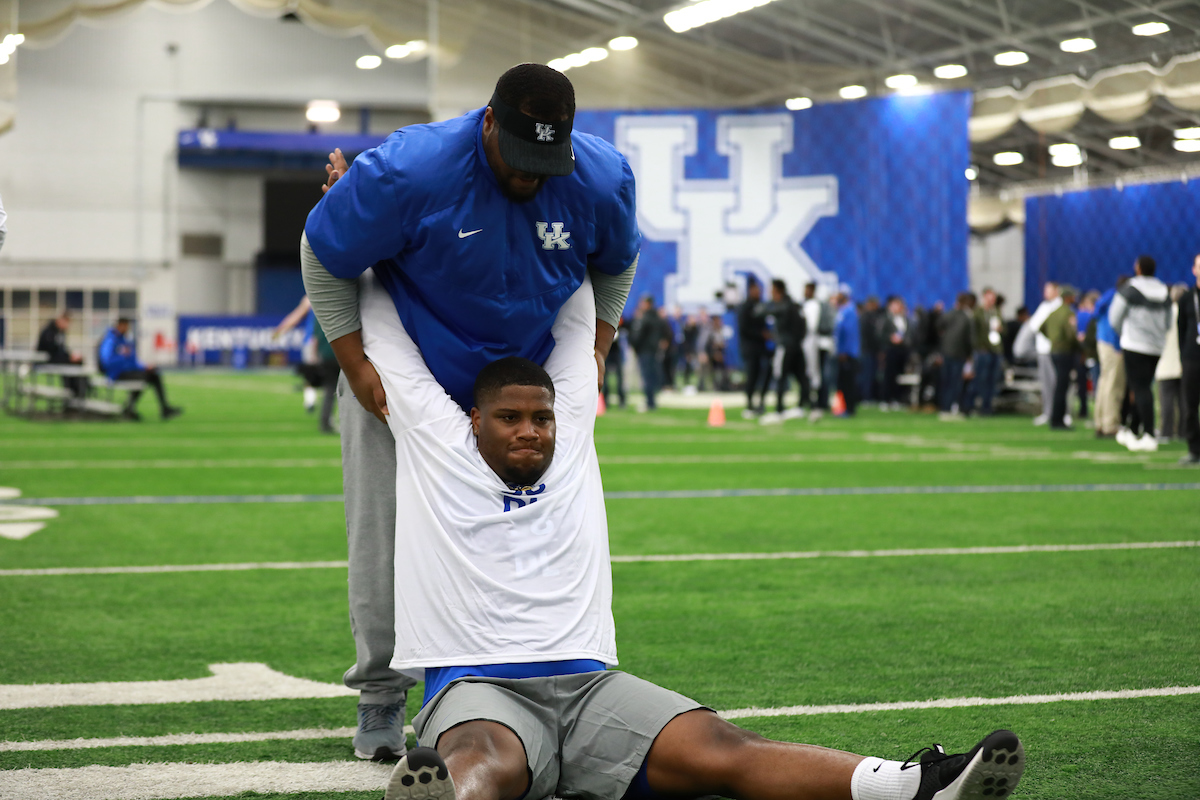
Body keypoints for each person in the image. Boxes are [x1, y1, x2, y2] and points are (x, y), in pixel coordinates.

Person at [358, 275, 1025, 800]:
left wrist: (579, 222)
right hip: (478, 682)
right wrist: (351, 226)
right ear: (475, 419)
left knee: (720, 746)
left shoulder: (575, 437)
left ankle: (913, 786)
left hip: (591, 683)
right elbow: (381, 330)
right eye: (509, 418)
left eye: (541, 416)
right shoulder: (435, 438)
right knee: (484, 761)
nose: (530, 429)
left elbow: (580, 310)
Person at [303, 63, 640, 760]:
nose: (531, 178)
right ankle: (379, 695)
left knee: (535, 530)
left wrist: (600, 343)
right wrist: (355, 362)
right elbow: (322, 251)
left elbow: (618, 261)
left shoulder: (601, 179)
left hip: (523, 389)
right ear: (489, 123)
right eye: (519, 160)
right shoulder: (410, 171)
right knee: (383, 536)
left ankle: (516, 675)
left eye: (547, 165)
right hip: (405, 366)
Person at [1110, 255, 1171, 452]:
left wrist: (1124, 334)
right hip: (1156, 346)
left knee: (1140, 388)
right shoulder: (1163, 290)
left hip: (1135, 344)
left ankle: (1149, 434)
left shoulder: (1130, 288)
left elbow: (1114, 317)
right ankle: (1133, 429)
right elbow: (1169, 322)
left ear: (1137, 268)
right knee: (1143, 386)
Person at [97, 318, 182, 421]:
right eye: (125, 326)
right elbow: (107, 361)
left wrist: (145, 367)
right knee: (145, 377)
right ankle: (129, 408)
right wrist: (123, 359)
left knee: (153, 374)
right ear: (119, 325)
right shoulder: (110, 340)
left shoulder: (125, 340)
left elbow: (133, 361)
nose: (127, 329)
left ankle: (164, 408)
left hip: (127, 371)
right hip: (115, 374)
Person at [763, 278, 809, 422]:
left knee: (781, 376)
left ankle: (779, 409)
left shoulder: (782, 305)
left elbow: (765, 311)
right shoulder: (795, 305)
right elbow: (803, 326)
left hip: (785, 346)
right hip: (797, 346)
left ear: (777, 290)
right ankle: (804, 406)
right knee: (801, 377)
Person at [1092, 277, 1128, 438]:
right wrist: (1117, 345)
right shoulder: (1118, 298)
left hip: (1102, 342)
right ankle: (1110, 425)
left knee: (1105, 383)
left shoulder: (1107, 296)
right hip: (1112, 344)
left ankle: (1100, 422)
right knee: (1114, 385)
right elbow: (1115, 322)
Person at [1039, 285, 1078, 431]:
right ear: (1068, 297)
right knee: (1062, 387)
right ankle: (1058, 420)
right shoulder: (1068, 313)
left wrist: (1053, 339)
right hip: (1064, 352)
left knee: (1058, 386)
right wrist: (1080, 347)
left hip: (1053, 351)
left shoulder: (1054, 312)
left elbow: (1041, 327)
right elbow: (1071, 335)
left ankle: (1056, 418)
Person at [1154, 284, 1188, 442]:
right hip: (1185, 362)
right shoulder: (1190, 313)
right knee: (1184, 401)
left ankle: (1166, 432)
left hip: (1166, 362)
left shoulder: (1165, 313)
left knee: (1166, 400)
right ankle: (1184, 431)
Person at [1026, 282, 1062, 426]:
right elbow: (1034, 325)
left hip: (1055, 350)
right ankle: (1048, 412)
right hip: (1042, 350)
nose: (1045, 293)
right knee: (1046, 383)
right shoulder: (1044, 306)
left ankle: (1061, 412)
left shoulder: (1059, 307)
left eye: (1049, 290)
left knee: (1057, 383)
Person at [36, 310, 90, 400]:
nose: (67, 325)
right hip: (48, 361)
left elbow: (62, 349)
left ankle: (79, 392)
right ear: (60, 320)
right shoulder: (49, 332)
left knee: (78, 362)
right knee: (73, 365)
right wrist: (69, 357)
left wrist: (71, 356)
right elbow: (51, 350)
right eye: (67, 322)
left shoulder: (60, 332)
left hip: (59, 360)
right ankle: (75, 392)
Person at [937, 293, 974, 418]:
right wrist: (969, 355)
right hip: (959, 354)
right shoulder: (966, 317)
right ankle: (952, 407)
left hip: (947, 352)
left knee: (947, 381)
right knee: (955, 382)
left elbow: (938, 326)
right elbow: (968, 338)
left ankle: (944, 408)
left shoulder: (949, 314)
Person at [630, 295, 670, 411]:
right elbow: (667, 332)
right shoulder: (658, 317)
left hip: (645, 351)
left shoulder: (645, 318)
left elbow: (638, 336)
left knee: (647, 377)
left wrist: (635, 346)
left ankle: (649, 402)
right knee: (651, 376)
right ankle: (652, 402)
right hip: (654, 350)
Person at [1178, 254, 1200, 465]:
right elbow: (1180, 330)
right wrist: (1183, 355)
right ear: (1194, 269)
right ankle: (1194, 449)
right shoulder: (1186, 298)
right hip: (1192, 357)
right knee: (1190, 406)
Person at [738, 279, 771, 418]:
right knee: (752, 375)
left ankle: (760, 400)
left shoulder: (761, 306)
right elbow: (744, 328)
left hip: (761, 347)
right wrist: (761, 334)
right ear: (750, 290)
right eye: (756, 290)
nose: (758, 292)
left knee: (764, 373)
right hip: (750, 347)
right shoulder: (745, 307)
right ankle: (750, 402)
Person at [969, 288, 1003, 415]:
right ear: (984, 297)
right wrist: (978, 347)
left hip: (996, 350)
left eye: (993, 298)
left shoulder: (997, 312)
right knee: (980, 379)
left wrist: (1001, 329)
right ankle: (971, 405)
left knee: (993, 380)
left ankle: (987, 407)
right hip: (983, 351)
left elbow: (1003, 330)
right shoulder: (978, 312)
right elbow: (974, 332)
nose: (992, 300)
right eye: (989, 297)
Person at [880, 296, 910, 410]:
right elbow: (881, 335)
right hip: (891, 350)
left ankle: (897, 399)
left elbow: (910, 334)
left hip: (902, 350)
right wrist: (890, 338)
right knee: (889, 375)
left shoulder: (905, 319)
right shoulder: (886, 319)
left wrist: (904, 340)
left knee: (899, 375)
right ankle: (886, 399)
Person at [833, 290, 860, 416]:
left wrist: (844, 351)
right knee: (842, 382)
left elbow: (848, 333)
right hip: (844, 352)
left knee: (848, 382)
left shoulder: (849, 311)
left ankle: (849, 409)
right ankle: (843, 407)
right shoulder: (843, 310)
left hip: (848, 353)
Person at [602, 319, 627, 409]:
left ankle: (622, 400)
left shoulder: (621, 320)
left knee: (620, 377)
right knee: (605, 377)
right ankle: (605, 400)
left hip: (616, 351)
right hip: (606, 350)